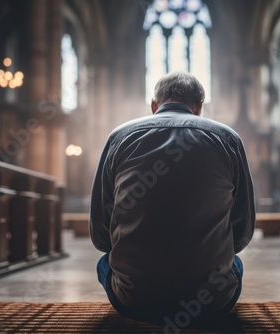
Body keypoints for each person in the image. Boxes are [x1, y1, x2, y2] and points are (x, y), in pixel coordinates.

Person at [90, 72, 255, 325]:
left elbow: (100, 235)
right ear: (199, 107)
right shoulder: (228, 139)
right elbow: (242, 232)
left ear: (154, 106)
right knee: (235, 263)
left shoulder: (119, 137)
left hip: (134, 299)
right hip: (211, 301)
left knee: (105, 262)